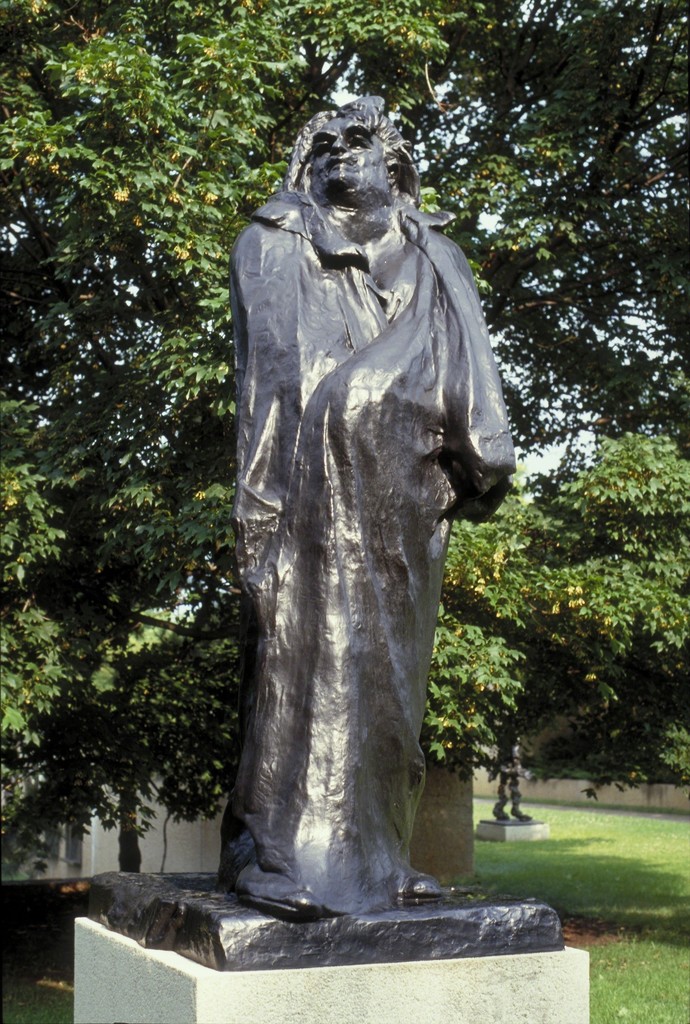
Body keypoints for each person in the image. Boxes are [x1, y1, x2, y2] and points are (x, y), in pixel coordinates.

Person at [218, 96, 515, 920]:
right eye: (323, 146)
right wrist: (260, 526)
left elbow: (473, 390)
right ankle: (276, 861)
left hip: (409, 503)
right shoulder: (274, 247)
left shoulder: (439, 259)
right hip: (310, 507)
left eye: (360, 140)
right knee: (300, 672)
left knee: (391, 690)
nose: (341, 152)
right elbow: (268, 401)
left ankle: (378, 862)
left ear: (398, 165)